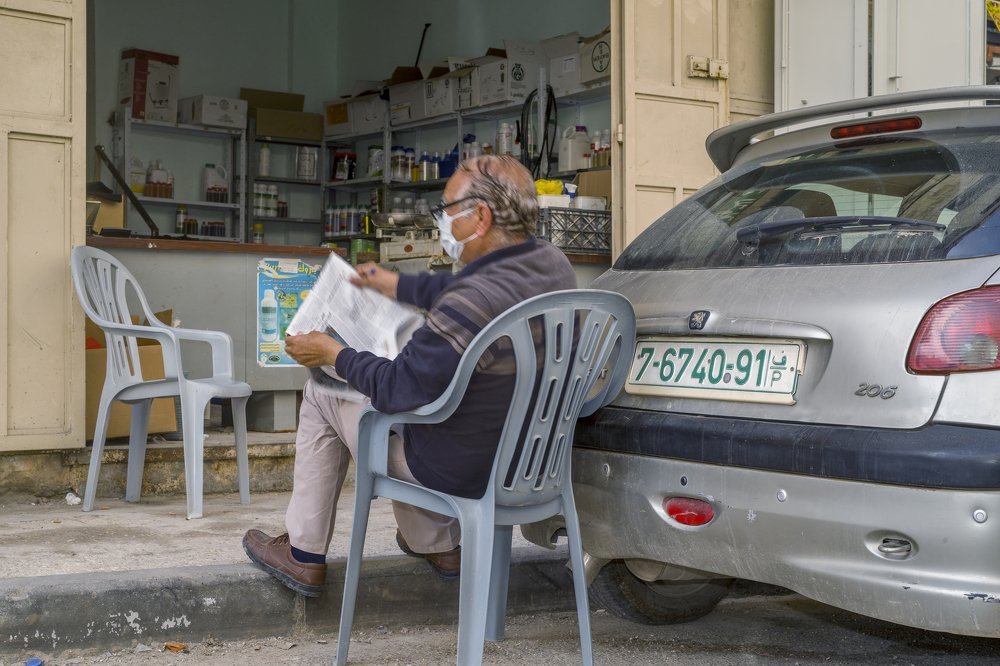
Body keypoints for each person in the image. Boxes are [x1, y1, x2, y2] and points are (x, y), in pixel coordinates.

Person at [243, 154, 577, 597]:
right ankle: (436, 544)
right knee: (410, 397)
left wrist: (334, 352)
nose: (442, 224)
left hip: (461, 471)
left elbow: (397, 389)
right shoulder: (552, 264)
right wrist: (395, 285)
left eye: (446, 212)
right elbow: (461, 292)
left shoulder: (470, 301)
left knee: (326, 392)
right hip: (531, 464)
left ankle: (303, 555)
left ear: (480, 217)